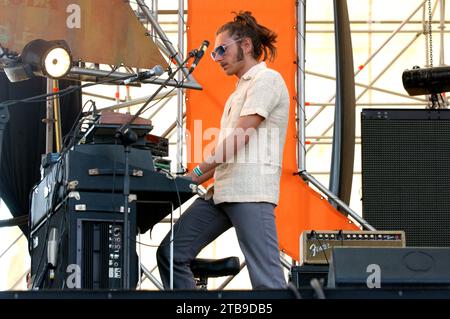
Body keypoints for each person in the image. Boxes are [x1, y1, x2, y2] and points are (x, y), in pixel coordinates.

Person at [157, 11, 290, 290]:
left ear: (246, 45)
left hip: (251, 193)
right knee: (171, 253)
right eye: (214, 52)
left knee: (268, 282)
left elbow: (238, 139)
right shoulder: (236, 93)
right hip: (221, 192)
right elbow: (227, 152)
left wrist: (195, 172)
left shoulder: (267, 80)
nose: (216, 58)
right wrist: (191, 180)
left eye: (221, 50)